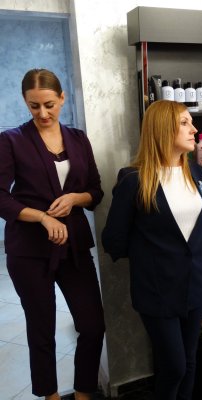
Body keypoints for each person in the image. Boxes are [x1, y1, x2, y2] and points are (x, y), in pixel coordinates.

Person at [0, 69, 105, 400]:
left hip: (74, 247)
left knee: (92, 325)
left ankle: (84, 392)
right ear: (25, 102)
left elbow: (96, 191)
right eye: (34, 106)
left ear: (62, 98)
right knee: (42, 330)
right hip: (29, 251)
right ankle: (51, 396)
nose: (43, 113)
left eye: (49, 104)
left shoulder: (78, 139)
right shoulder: (11, 140)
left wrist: (75, 198)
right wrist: (42, 218)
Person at [102, 100, 202, 400]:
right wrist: (151, 258)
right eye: (185, 123)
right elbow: (113, 239)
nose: (194, 129)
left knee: (189, 361)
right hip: (157, 290)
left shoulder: (196, 172)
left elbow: (201, 229)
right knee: (173, 366)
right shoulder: (134, 180)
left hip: (194, 285)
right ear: (162, 129)